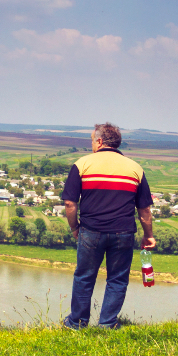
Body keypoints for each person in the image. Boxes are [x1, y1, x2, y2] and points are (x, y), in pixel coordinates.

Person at [60, 123, 154, 329]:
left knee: (84, 276)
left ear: (100, 142)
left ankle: (76, 323)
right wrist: (149, 235)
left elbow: (69, 203)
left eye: (92, 140)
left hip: (90, 231)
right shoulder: (135, 168)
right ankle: (107, 323)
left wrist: (75, 228)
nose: (92, 144)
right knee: (118, 279)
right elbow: (144, 210)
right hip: (124, 233)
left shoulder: (82, 164)